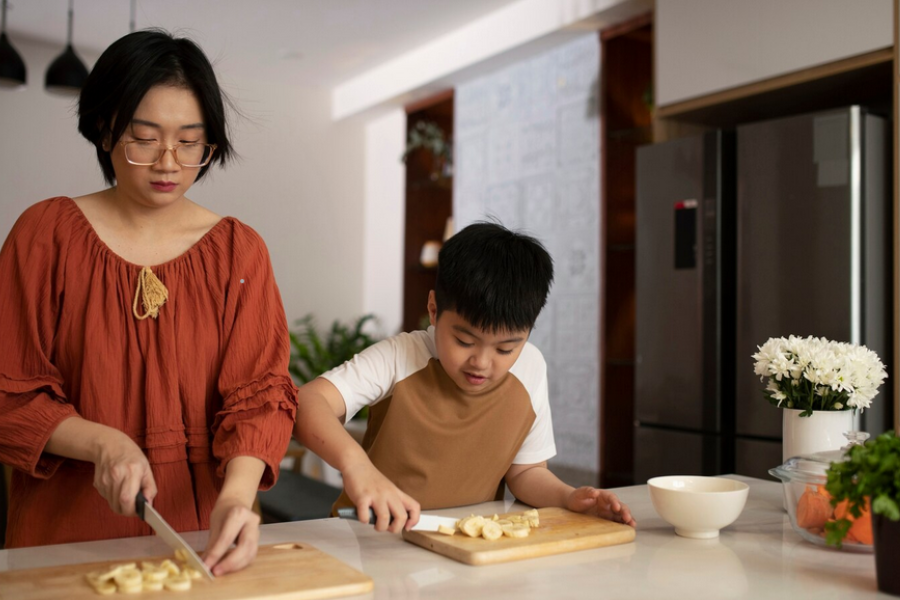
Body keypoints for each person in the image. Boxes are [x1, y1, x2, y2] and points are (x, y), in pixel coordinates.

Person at [0, 30, 297, 575]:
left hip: (202, 537)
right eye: (145, 137)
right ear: (106, 127)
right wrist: (104, 444)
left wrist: (236, 495)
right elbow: (8, 393)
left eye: (191, 141)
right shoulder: (45, 235)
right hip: (63, 539)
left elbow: (259, 399)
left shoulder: (239, 253)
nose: (169, 162)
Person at [293, 222, 635, 533]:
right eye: (464, 341)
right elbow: (308, 402)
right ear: (433, 310)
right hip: (370, 537)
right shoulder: (400, 357)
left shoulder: (530, 368)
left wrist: (569, 497)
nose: (482, 362)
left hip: (464, 544)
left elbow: (526, 472)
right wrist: (358, 467)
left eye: (505, 349)